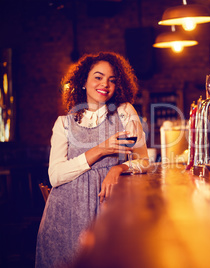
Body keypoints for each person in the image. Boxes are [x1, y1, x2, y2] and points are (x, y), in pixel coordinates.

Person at [35, 52, 149, 268]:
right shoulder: (64, 123)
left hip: (108, 208)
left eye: (112, 79)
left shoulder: (125, 112)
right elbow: (55, 176)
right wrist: (99, 150)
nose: (105, 83)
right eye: (98, 77)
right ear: (83, 82)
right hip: (66, 215)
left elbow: (143, 161)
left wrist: (119, 168)